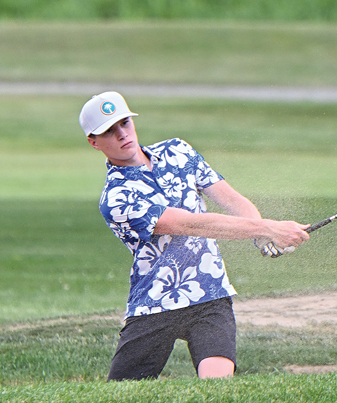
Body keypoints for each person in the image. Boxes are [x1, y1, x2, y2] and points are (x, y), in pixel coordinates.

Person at [79, 91, 309, 381]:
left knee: (217, 388)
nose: (121, 134)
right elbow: (189, 225)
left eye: (124, 123)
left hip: (209, 292)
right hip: (156, 302)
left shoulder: (178, 151)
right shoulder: (115, 198)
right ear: (94, 142)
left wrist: (261, 233)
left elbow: (232, 201)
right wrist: (267, 228)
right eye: (109, 131)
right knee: (119, 396)